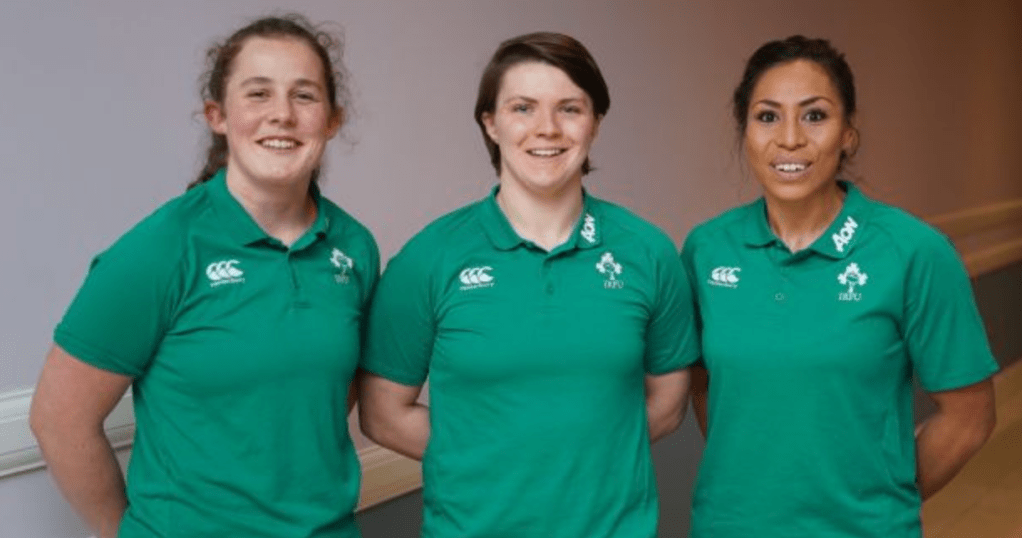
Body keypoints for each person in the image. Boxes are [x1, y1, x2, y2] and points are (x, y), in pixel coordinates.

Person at [29, 14, 377, 538]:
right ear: (218, 115)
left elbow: (329, 394)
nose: (282, 114)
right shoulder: (160, 249)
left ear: (331, 120)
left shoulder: (354, 248)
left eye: (304, 96)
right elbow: (58, 419)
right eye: (258, 94)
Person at [359, 32, 698, 537]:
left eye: (570, 109)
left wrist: (586, 453)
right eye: (522, 108)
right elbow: (383, 415)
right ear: (490, 123)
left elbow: (668, 406)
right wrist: (500, 457)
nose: (547, 129)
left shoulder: (648, 252)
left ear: (595, 122)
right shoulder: (429, 258)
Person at [681, 35, 998, 538]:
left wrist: (879, 501)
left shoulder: (914, 251)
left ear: (848, 133)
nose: (789, 138)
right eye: (767, 116)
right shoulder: (707, 249)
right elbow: (703, 385)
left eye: (814, 115)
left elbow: (969, 417)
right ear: (745, 131)